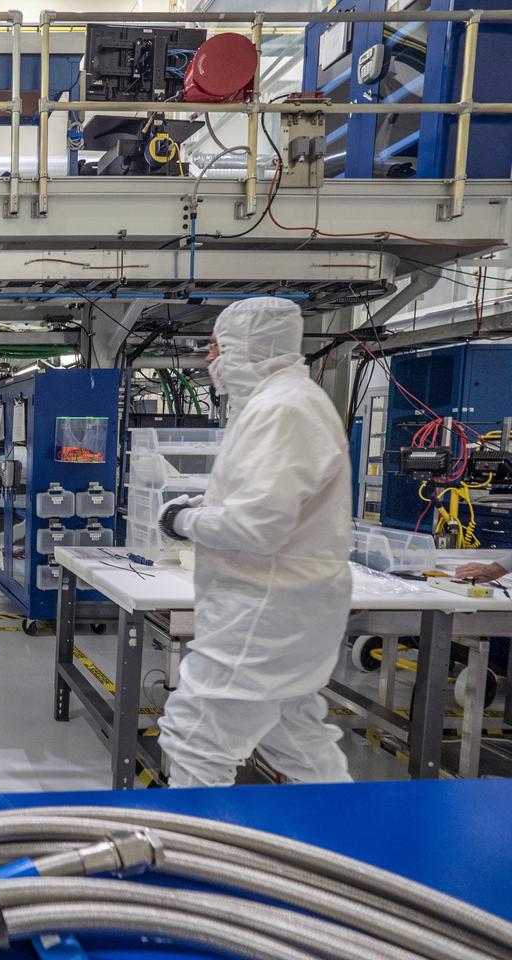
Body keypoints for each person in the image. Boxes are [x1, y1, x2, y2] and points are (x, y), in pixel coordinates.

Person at [154, 296, 354, 788]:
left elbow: (258, 528)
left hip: (262, 613)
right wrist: (206, 510)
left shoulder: (281, 409)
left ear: (249, 347)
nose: (209, 359)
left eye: (217, 347)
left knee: (195, 738)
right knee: (299, 738)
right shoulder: (286, 402)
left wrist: (180, 520)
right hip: (285, 611)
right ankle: (350, 841)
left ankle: (199, 856)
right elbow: (266, 504)